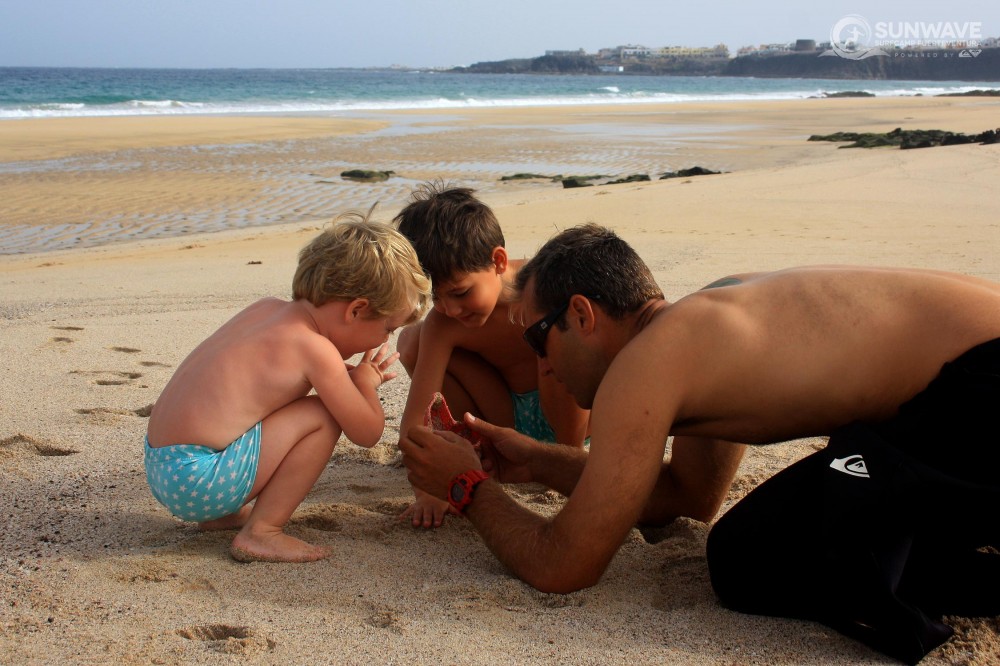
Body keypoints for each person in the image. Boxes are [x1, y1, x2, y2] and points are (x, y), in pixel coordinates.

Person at [399, 223, 1000, 664]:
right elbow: (687, 495)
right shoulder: (696, 326)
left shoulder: (649, 364)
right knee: (745, 546)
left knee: (752, 561)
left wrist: (466, 485)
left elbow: (565, 566)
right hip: (957, 399)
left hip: (982, 389)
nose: (542, 367)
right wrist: (538, 463)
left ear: (582, 315)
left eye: (538, 338)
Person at [145, 213, 430, 563]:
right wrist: (364, 383)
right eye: (388, 328)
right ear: (356, 310)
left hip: (164, 467)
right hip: (201, 481)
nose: (386, 338)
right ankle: (262, 532)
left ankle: (221, 517)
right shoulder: (314, 349)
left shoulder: (265, 309)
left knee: (272, 408)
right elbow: (367, 432)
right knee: (322, 414)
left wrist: (347, 377)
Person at [392, 184, 589, 528]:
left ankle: (566, 462)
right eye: (436, 298)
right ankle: (485, 450)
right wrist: (429, 489)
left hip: (575, 418)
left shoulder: (543, 289)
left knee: (557, 340)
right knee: (414, 339)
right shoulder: (445, 321)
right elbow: (414, 423)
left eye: (460, 292)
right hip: (505, 423)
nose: (450, 309)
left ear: (498, 261)